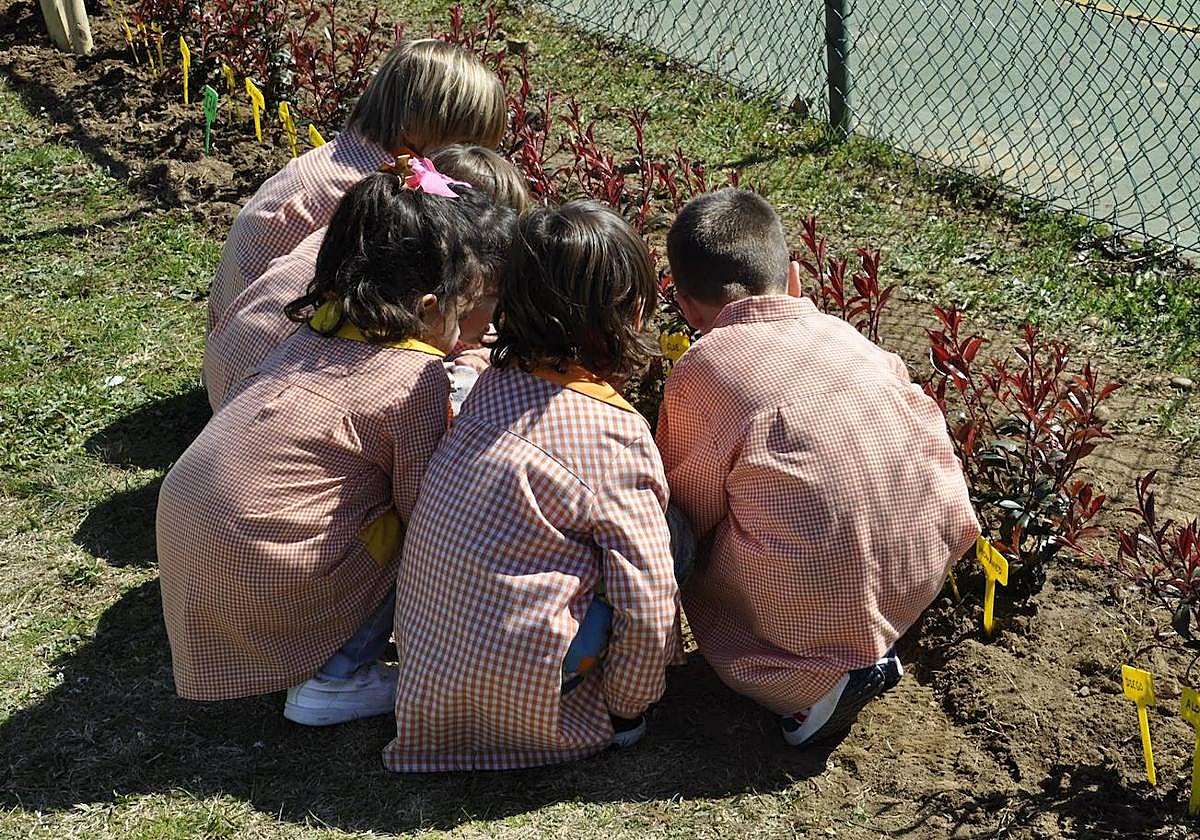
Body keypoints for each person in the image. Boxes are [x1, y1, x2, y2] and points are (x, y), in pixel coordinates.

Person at [157, 171, 516, 726]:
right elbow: (426, 506)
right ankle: (335, 676)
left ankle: (280, 651)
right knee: (423, 521)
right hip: (271, 578)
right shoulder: (412, 379)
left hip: (198, 561)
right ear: (425, 307)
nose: (471, 326)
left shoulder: (313, 332)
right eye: (465, 306)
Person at [656, 188, 979, 747]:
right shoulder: (847, 337)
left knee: (670, 525)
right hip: (919, 571)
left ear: (685, 307)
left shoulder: (702, 367)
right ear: (795, 277)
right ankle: (875, 638)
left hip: (809, 617)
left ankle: (808, 682)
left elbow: (687, 505)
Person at [384, 201, 681, 772]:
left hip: (431, 696)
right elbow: (646, 602)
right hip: (536, 713)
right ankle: (606, 717)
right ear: (633, 311)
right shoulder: (613, 433)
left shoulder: (491, 387)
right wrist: (628, 707)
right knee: (671, 539)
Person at [206, 39, 506, 334]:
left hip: (228, 348)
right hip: (274, 359)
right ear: (418, 125)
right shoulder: (372, 198)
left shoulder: (335, 161)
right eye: (466, 143)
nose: (465, 161)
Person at [202, 146, 528, 411]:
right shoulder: (406, 368)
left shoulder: (355, 258)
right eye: (485, 292)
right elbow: (417, 485)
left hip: (235, 394)